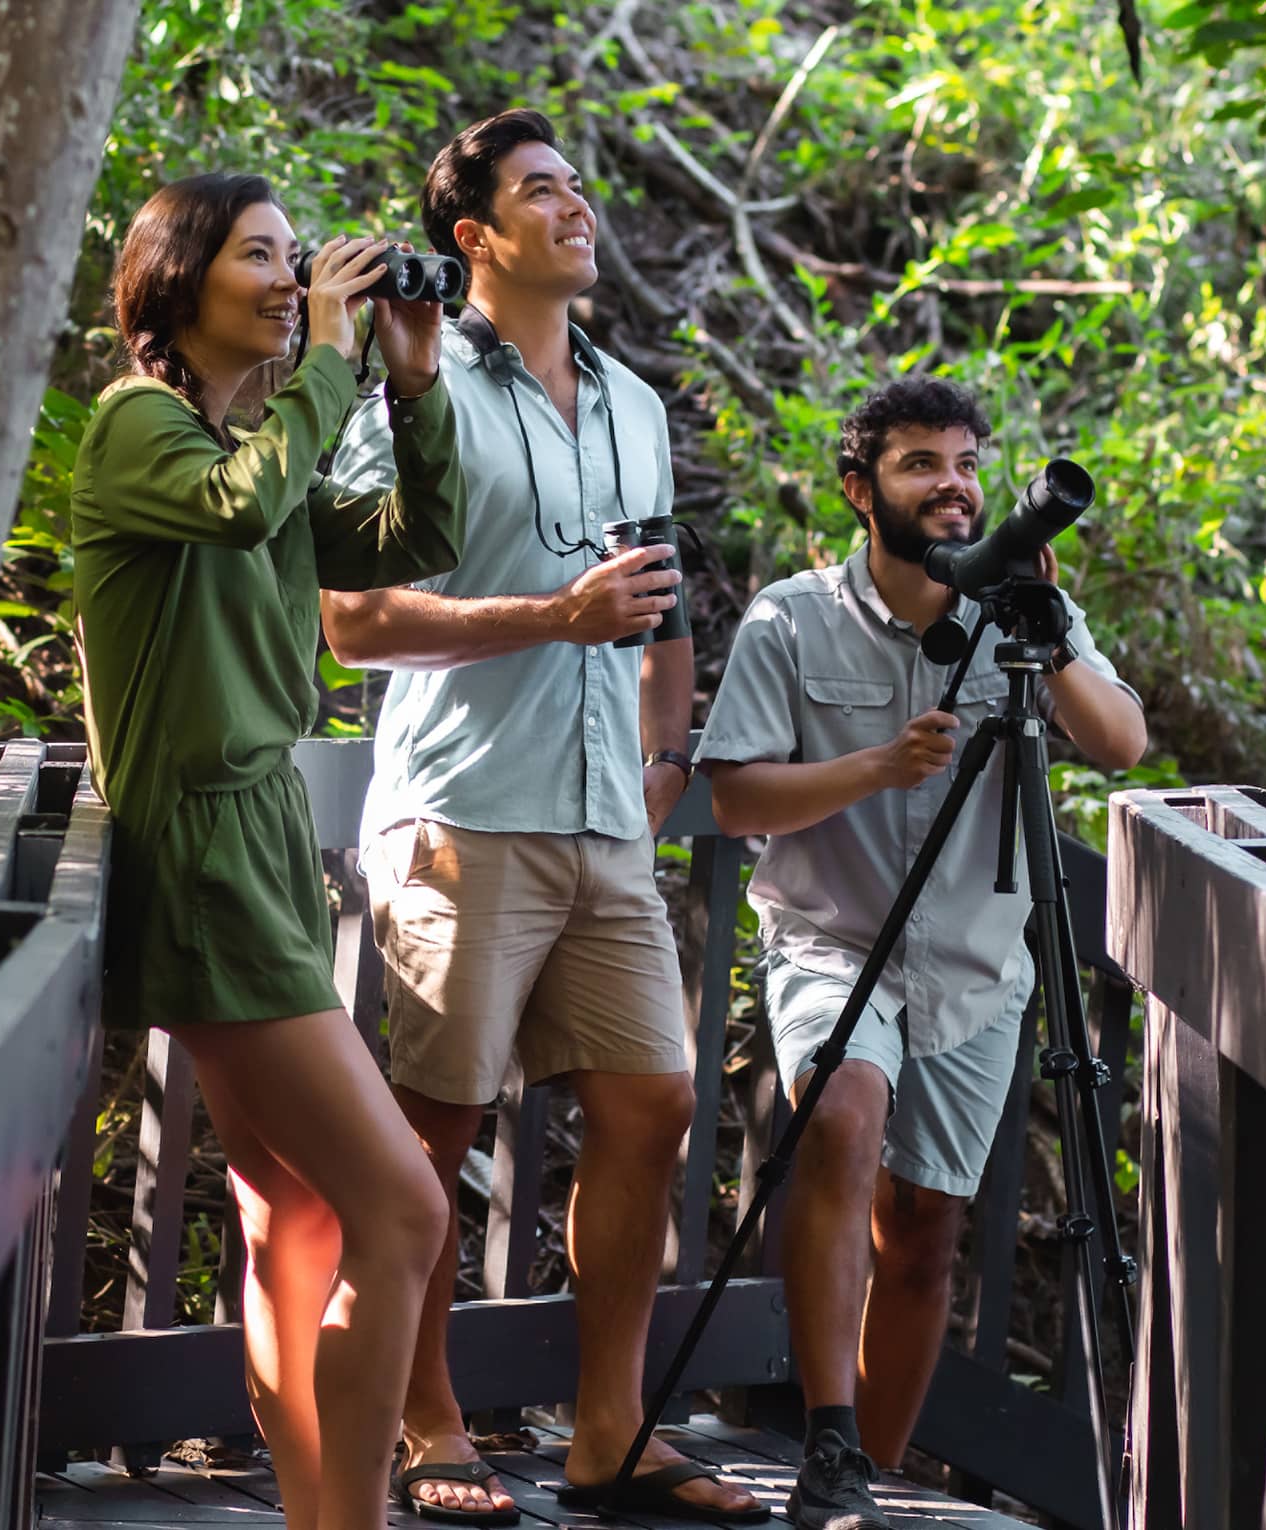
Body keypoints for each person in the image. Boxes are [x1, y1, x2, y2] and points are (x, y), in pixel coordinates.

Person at [321, 111, 765, 1526]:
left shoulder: (635, 402)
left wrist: (663, 750)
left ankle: (607, 1433)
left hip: (605, 821)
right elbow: (353, 621)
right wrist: (548, 617)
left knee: (653, 1103)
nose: (575, 207)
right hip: (463, 813)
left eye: (577, 185)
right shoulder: (414, 381)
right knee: (430, 1139)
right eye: (540, 192)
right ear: (474, 236)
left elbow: (665, 598)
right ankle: (426, 1418)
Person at [70, 172, 468, 1530]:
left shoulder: (256, 442)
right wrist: (336, 368)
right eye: (261, 257)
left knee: (290, 1210)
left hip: (262, 845)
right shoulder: (142, 425)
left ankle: (314, 1509)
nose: (294, 282)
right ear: (177, 285)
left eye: (301, 259)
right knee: (402, 1211)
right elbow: (241, 506)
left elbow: (422, 536)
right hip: (203, 854)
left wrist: (412, 390)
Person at [695, 378, 1147, 1530]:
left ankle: (870, 1481)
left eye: (965, 461)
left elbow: (1121, 741)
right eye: (919, 463)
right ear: (861, 489)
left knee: (925, 1235)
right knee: (842, 1113)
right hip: (833, 939)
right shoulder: (789, 620)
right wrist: (873, 770)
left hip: (977, 968)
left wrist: (1046, 633)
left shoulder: (1022, 607)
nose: (953, 484)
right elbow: (737, 795)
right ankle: (829, 1441)